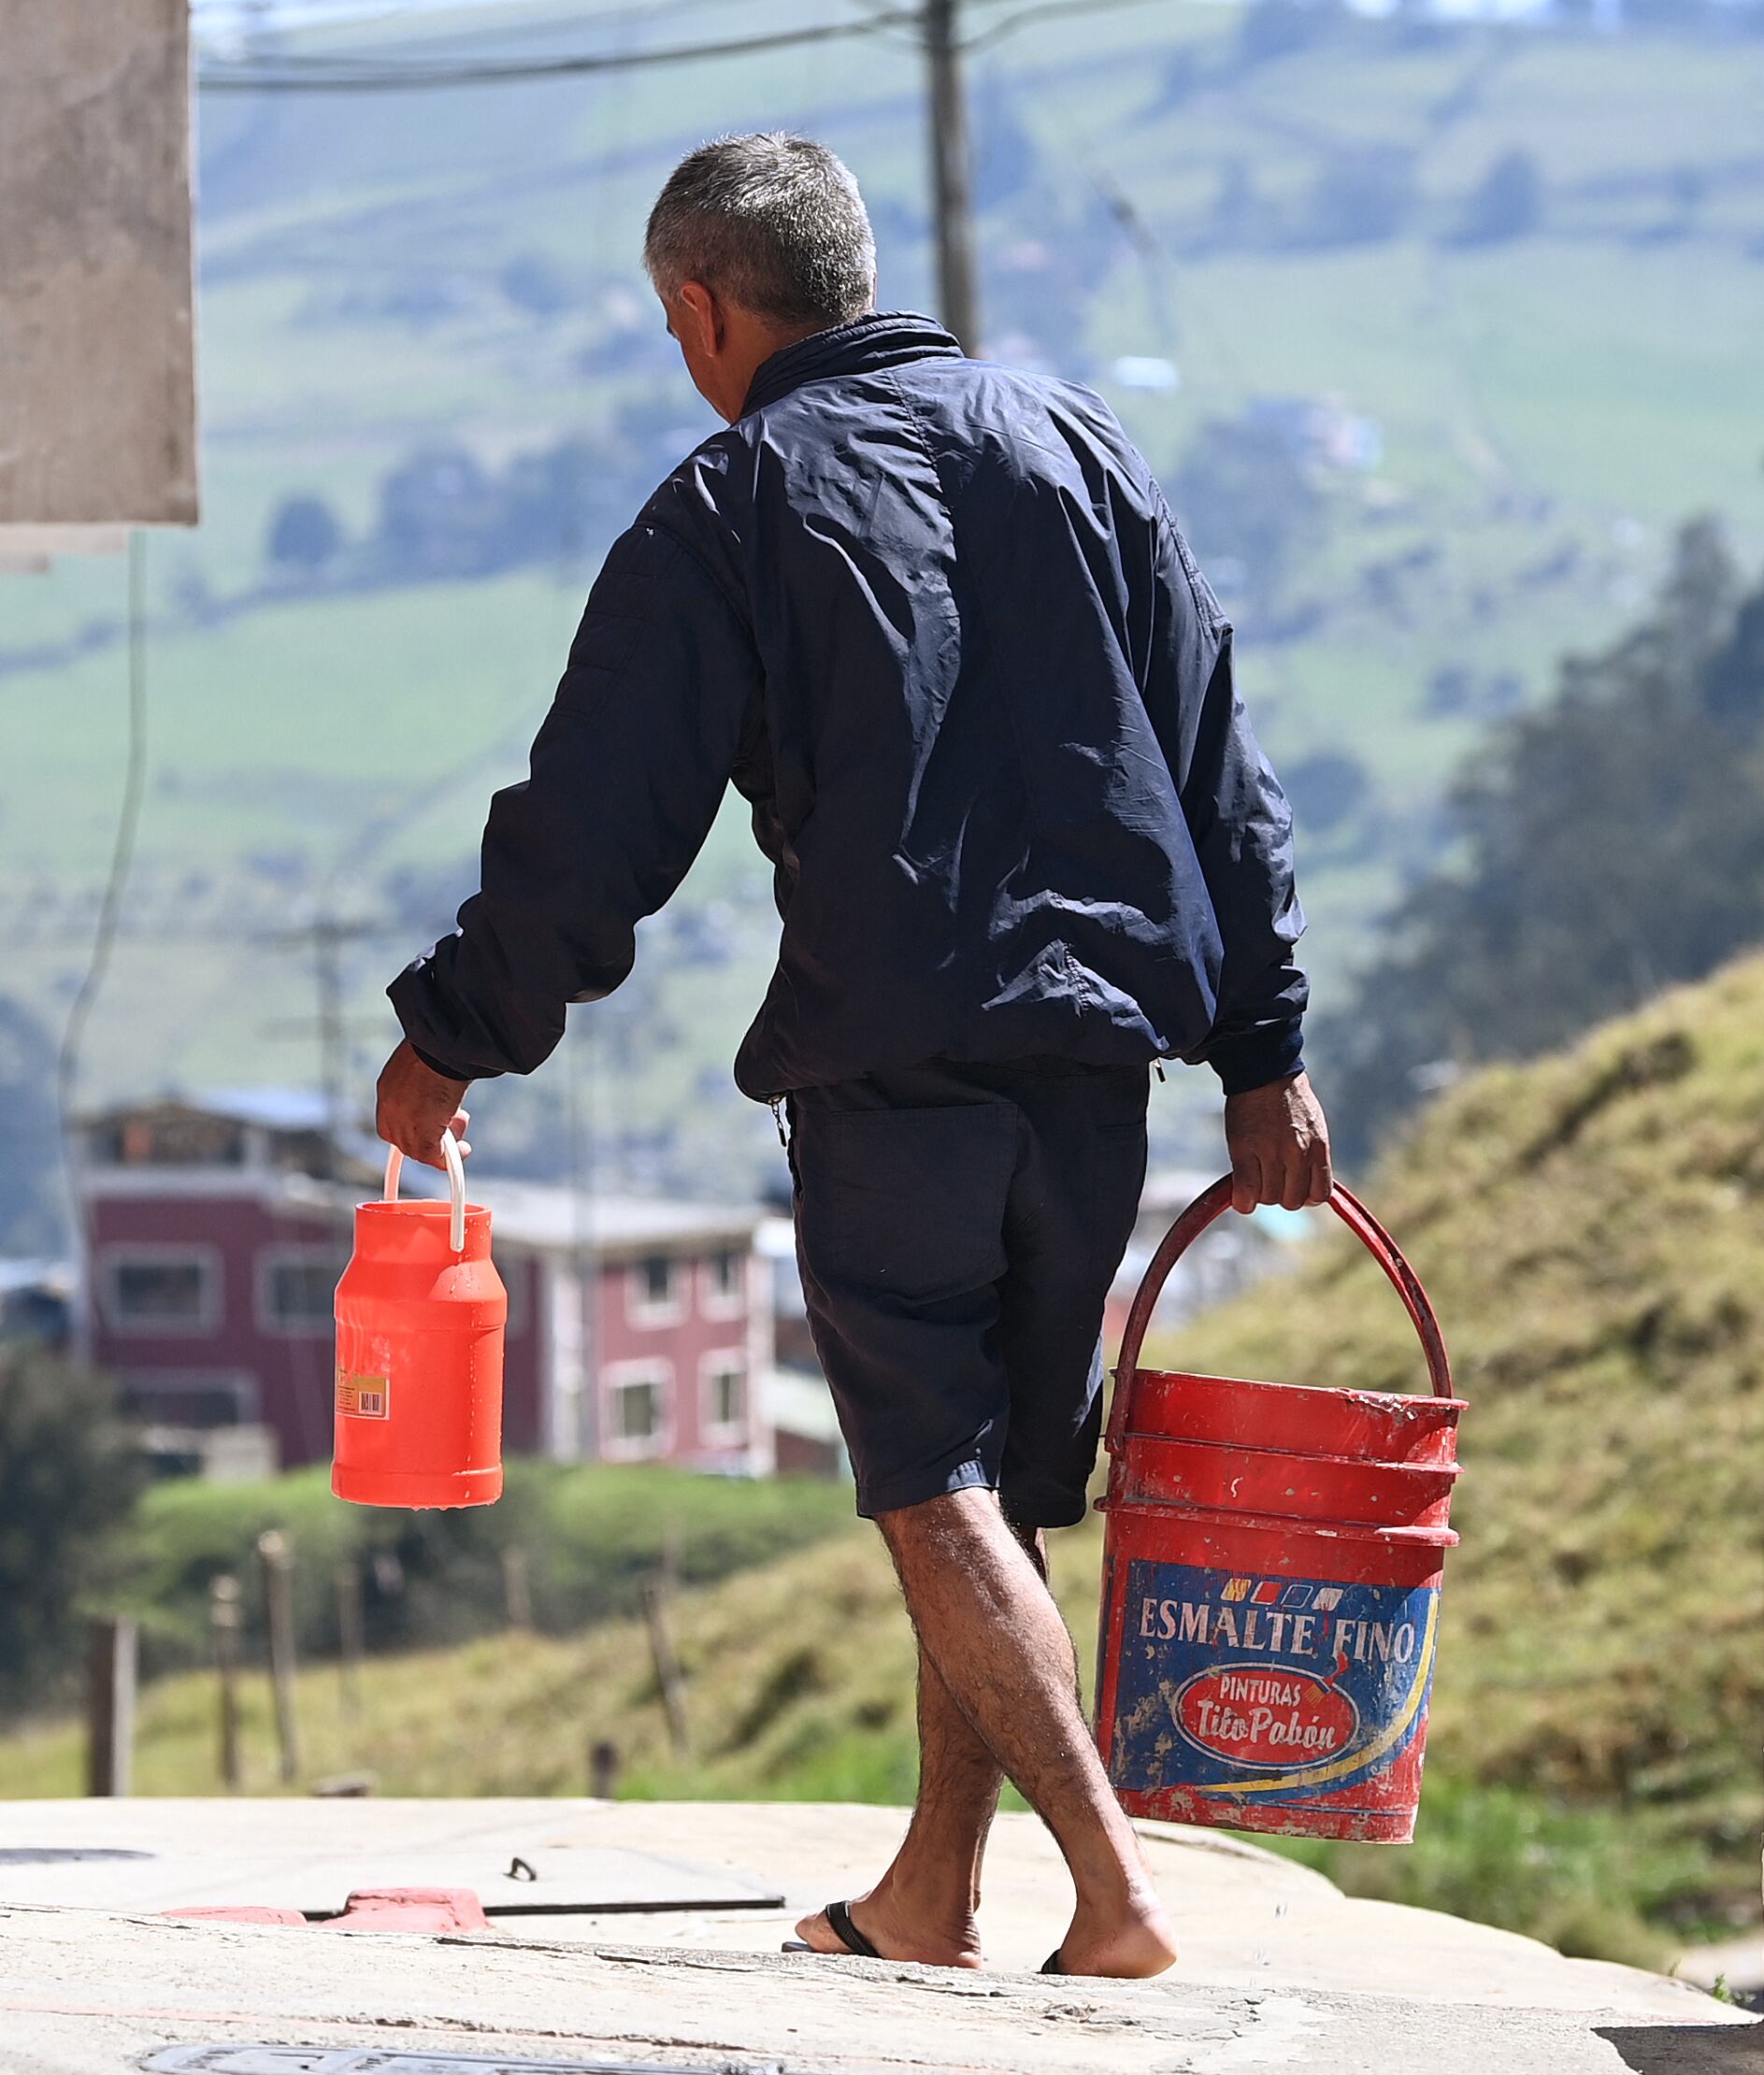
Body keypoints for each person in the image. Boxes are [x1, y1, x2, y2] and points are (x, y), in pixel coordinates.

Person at [377, 130, 1331, 1982]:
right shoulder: (1070, 440)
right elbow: (1218, 750)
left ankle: (1115, 1892)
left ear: (700, 307)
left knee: (924, 1476)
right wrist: (1260, 1041)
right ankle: (931, 1894)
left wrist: (452, 1035)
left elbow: (596, 821)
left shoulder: (734, 497)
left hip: (898, 1055)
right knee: (991, 1485)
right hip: (1100, 1055)